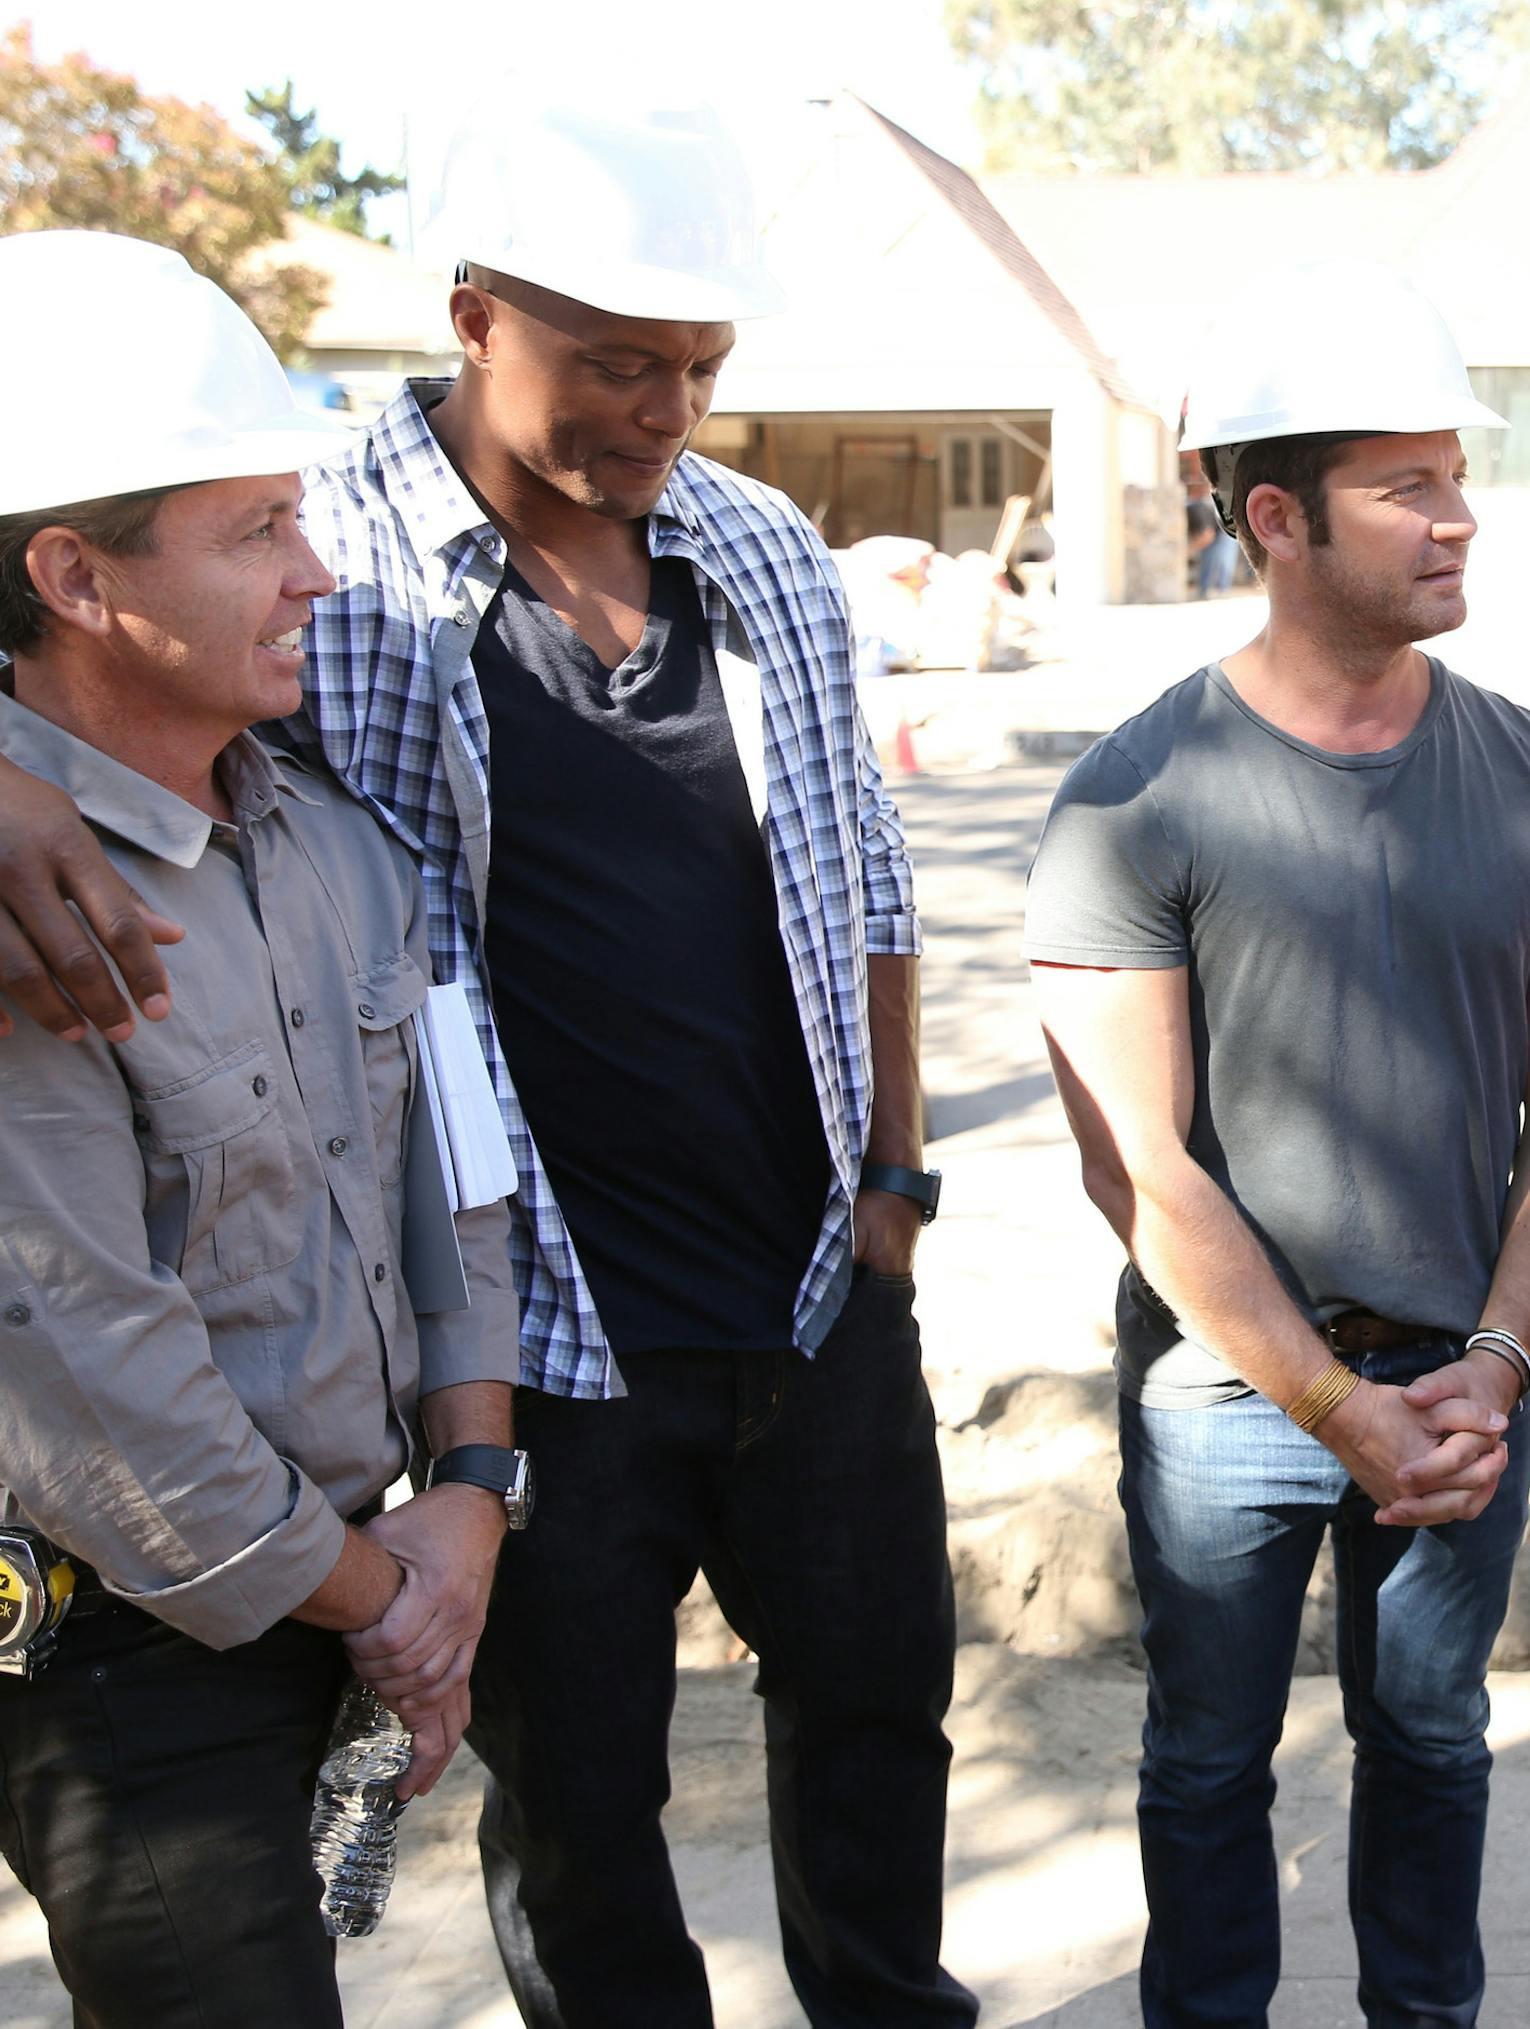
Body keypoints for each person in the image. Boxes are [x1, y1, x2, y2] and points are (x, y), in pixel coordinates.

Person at [0, 108, 971, 2029]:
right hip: (542, 1334)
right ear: (472, 316)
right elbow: (82, 636)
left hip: (808, 1291)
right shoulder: (318, 540)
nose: (667, 409)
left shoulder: (759, 545)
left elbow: (864, 870)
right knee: (583, 1814)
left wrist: (894, 1184)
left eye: (700, 366)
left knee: (879, 1732)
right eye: (616, 358)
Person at [1024, 260, 1530, 2029]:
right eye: (1410, 485)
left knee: (1432, 1740)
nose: (1461, 519)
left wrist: (1498, 1363)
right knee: (1207, 1762)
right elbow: (1135, 1164)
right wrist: (1326, 1401)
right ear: (1274, 517)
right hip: (1227, 1399)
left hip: (1461, 1385)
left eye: (1458, 472)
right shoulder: (1134, 797)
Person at [0, 232, 521, 2026]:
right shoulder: (28, 923)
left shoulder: (334, 843)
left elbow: (454, 1184)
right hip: (134, 1654)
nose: (317, 576)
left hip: (356, 1566)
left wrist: (471, 1488)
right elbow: (93, 1379)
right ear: (70, 572)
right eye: (253, 536)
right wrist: (387, 1594)